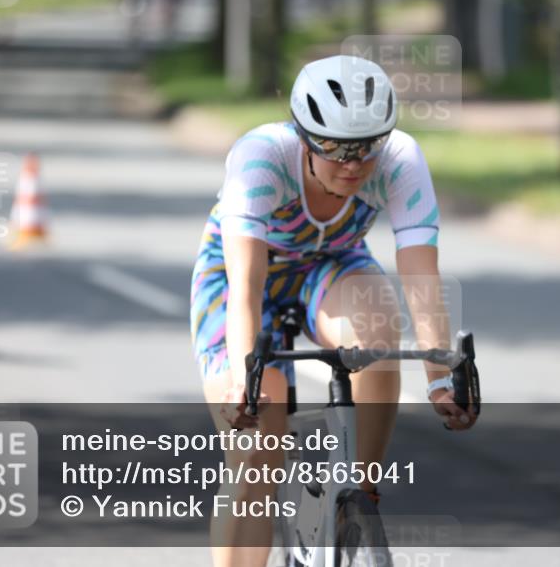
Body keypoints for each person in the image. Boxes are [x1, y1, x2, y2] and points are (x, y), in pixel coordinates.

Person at [190, 55, 477, 566]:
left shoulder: (401, 160)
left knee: (376, 333)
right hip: (243, 275)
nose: (354, 165)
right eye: (337, 150)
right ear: (303, 138)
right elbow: (248, 285)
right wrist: (242, 377)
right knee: (257, 451)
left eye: (368, 148)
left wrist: (438, 378)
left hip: (331, 263)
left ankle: (358, 498)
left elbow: (421, 279)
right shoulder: (260, 157)